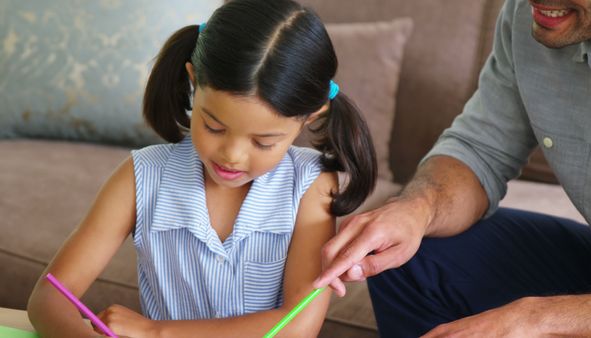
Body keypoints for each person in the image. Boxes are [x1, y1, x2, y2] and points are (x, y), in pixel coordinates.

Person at [27, 0, 377, 336]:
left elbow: (297, 326)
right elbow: (51, 295)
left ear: (309, 117)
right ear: (193, 82)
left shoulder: (310, 185)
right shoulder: (141, 177)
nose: (232, 156)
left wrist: (156, 332)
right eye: (214, 127)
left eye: (263, 142)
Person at [313, 0, 591, 336]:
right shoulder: (532, 20)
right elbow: (481, 150)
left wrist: (537, 319)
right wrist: (416, 210)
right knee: (407, 254)